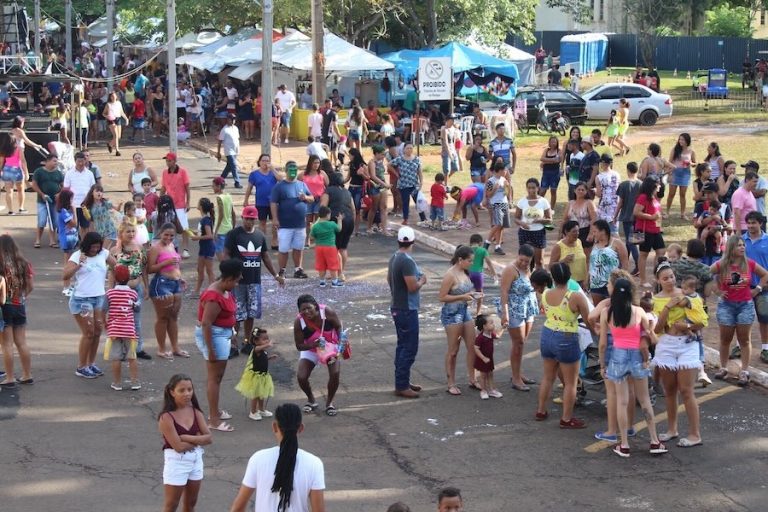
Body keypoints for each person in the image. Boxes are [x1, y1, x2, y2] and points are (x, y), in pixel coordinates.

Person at [599, 277, 667, 457]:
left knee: (621, 401)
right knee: (644, 399)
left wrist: (602, 364)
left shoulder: (607, 313)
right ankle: (654, 441)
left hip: (618, 356)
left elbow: (603, 344)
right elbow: (651, 337)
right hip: (637, 356)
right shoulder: (639, 311)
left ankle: (624, 444)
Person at [229, 403, 325, 512]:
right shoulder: (314, 464)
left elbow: (238, 508)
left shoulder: (258, 459)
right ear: (301, 428)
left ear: (274, 427)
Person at [652, 261, 707, 447]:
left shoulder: (687, 294)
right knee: (669, 390)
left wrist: (687, 326)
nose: (670, 280)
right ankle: (672, 429)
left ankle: (695, 434)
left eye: (672, 276)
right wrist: (668, 307)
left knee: (686, 390)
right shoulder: (656, 299)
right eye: (665, 278)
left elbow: (702, 321)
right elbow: (656, 329)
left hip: (687, 344)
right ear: (658, 280)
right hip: (666, 345)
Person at [534, 263, 592, 428]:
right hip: (566, 336)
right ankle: (566, 419)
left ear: (553, 278)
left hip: (547, 334)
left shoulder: (546, 293)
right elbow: (588, 321)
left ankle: (541, 410)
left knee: (548, 377)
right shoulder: (575, 296)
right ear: (569, 276)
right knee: (570, 382)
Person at [225, 206, 284, 353]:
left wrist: (276, 275)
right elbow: (226, 255)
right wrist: (230, 274)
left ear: (256, 219)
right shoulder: (234, 234)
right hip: (237, 283)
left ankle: (247, 341)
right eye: (247, 219)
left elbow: (265, 256)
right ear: (242, 218)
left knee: (251, 314)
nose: (249, 222)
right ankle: (233, 344)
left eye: (252, 219)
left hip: (254, 282)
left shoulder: (259, 236)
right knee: (236, 314)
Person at [712, 235, 768, 386]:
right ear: (731, 248)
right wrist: (716, 290)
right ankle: (723, 368)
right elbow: (706, 273)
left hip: (745, 305)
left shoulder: (749, 263)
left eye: (743, 245)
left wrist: (757, 289)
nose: (742, 247)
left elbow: (765, 274)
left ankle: (744, 371)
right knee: (725, 338)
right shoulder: (722, 264)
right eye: (739, 245)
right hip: (726, 306)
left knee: (744, 339)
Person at [194, 258, 242, 432]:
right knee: (214, 378)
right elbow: (206, 323)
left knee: (218, 377)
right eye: (236, 281)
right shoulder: (214, 296)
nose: (237, 284)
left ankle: (215, 411)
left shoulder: (223, 289)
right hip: (214, 336)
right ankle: (213, 419)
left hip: (222, 334)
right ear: (228, 279)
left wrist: (232, 333)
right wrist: (211, 350)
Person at [62, 232, 117, 379]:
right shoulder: (77, 256)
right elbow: (65, 275)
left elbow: (117, 267)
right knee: (88, 332)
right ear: (87, 245)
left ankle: (91, 363)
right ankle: (81, 367)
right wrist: (78, 265)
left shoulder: (104, 253)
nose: (95, 249)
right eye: (93, 247)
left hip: (98, 298)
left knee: (98, 331)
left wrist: (115, 285)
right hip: (81, 300)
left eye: (97, 246)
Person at [158, 374, 212, 512]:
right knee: (171, 505)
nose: (187, 393)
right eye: (181, 390)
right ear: (172, 392)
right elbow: (178, 447)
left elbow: (209, 438)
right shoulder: (166, 417)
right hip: (177, 462)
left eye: (189, 389)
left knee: (191, 503)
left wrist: (186, 437)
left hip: (196, 460)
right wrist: (198, 439)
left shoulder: (195, 411)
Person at [388, 226, 426, 398]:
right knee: (409, 347)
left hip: (398, 306)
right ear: (413, 242)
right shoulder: (407, 261)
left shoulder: (394, 257)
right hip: (406, 309)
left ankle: (402, 380)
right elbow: (412, 287)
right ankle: (402, 385)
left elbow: (389, 279)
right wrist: (422, 281)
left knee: (402, 345)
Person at [293, 294, 343, 416]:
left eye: (309, 308)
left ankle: (329, 403)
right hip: (311, 349)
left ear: (315, 306)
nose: (306, 312)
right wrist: (313, 345)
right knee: (301, 377)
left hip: (330, 348)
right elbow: (299, 346)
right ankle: (311, 400)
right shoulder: (299, 322)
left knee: (335, 373)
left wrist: (340, 343)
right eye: (303, 310)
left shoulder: (327, 312)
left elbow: (338, 326)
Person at [439, 246, 479, 395]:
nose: (471, 263)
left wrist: (474, 294)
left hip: (464, 311)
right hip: (452, 313)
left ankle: (472, 378)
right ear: (460, 259)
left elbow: (466, 291)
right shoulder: (450, 275)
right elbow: (442, 297)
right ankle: (451, 383)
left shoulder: (464, 271)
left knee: (472, 346)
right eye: (470, 261)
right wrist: (462, 297)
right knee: (453, 350)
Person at [499, 244, 538, 391]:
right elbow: (504, 291)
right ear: (518, 255)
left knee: (522, 343)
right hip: (514, 310)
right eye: (521, 260)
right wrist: (505, 313)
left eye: (527, 261)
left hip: (528, 307)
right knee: (518, 342)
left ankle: (518, 373)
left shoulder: (529, 268)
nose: (523, 263)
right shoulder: (510, 269)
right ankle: (515, 378)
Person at [148, 223, 186, 360]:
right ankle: (161, 349)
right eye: (166, 235)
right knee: (162, 317)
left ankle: (175, 348)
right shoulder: (155, 248)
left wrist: (180, 278)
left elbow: (175, 265)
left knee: (174, 317)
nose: (169, 238)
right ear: (160, 233)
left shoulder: (171, 245)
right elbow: (150, 269)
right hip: (162, 284)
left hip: (176, 283)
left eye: (171, 235)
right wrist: (166, 262)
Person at [0, 235, 34, 387]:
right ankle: (27, 374)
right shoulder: (24, 264)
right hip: (19, 304)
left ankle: (10, 377)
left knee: (6, 344)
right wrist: (22, 296)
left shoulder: (1, 265)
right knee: (21, 342)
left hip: (4, 307)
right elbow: (31, 286)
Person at [271, 161, 313, 279]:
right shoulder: (279, 186)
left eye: (295, 169)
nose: (293, 172)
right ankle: (282, 270)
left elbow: (312, 198)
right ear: (286, 171)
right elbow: (273, 203)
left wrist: (305, 197)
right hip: (285, 224)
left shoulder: (302, 184)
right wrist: (275, 219)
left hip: (300, 224)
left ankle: (298, 269)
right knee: (283, 248)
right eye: (291, 170)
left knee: (299, 248)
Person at [104, 265, 140, 391]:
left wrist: (105, 323)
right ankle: (135, 382)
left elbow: (104, 309)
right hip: (129, 330)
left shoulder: (110, 293)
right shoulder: (133, 293)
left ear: (114, 278)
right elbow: (137, 308)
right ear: (129, 278)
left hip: (114, 329)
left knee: (116, 357)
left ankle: (117, 383)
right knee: (132, 357)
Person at [319, 171, 355, 281]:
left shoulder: (328, 190)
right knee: (343, 248)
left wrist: (320, 223)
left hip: (335, 219)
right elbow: (353, 209)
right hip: (349, 219)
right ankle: (341, 272)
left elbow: (323, 207)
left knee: (334, 248)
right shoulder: (347, 192)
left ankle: (336, 273)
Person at [235, 327, 276, 421]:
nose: (267, 341)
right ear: (256, 341)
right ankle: (253, 412)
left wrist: (269, 358)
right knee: (255, 395)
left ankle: (261, 409)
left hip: (263, 376)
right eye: (264, 339)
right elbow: (258, 349)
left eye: (267, 338)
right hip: (256, 377)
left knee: (262, 394)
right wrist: (268, 344)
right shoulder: (256, 349)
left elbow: (262, 359)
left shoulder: (263, 351)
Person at [514, 177, 552, 269]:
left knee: (539, 261)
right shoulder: (522, 202)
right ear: (526, 188)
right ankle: (525, 276)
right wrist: (522, 223)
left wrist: (540, 220)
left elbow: (549, 219)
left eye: (533, 188)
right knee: (524, 260)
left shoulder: (543, 202)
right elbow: (516, 218)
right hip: (524, 233)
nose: (531, 190)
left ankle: (540, 277)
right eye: (529, 188)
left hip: (539, 233)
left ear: (538, 188)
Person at [589, 219, 629, 304]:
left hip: (612, 282)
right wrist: (588, 278)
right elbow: (592, 263)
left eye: (595, 232)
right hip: (595, 283)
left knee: (613, 307)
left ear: (603, 231)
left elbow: (625, 263)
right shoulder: (595, 244)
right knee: (598, 308)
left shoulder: (617, 243)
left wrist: (621, 280)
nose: (593, 234)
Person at [634, 177, 665, 286]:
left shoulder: (654, 198)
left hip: (655, 230)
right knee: (643, 254)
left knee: (661, 251)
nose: (659, 186)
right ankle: (643, 280)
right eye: (658, 184)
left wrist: (659, 222)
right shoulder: (643, 197)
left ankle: (656, 277)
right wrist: (651, 217)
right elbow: (636, 212)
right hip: (644, 230)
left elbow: (656, 214)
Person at [162, 152, 192, 257]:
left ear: (174, 161)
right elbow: (163, 188)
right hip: (169, 205)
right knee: (170, 227)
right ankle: (172, 248)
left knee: (184, 228)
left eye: (169, 161)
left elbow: (187, 188)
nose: (167, 163)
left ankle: (185, 249)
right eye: (166, 161)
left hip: (180, 205)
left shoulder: (183, 172)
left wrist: (188, 202)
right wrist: (160, 201)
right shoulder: (165, 172)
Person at [30, 154, 63, 249]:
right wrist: (42, 194)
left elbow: (63, 185)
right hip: (42, 201)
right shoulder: (39, 172)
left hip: (55, 202)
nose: (56, 163)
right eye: (54, 161)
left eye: (56, 161)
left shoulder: (58, 173)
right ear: (48, 161)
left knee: (54, 221)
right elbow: (34, 185)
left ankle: (52, 240)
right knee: (42, 220)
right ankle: (38, 240)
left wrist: (59, 194)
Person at [614, 161, 641, 273]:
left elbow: (620, 202)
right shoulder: (641, 184)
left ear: (628, 170)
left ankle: (638, 265)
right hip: (639, 218)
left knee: (631, 242)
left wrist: (615, 216)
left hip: (627, 217)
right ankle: (624, 263)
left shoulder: (624, 185)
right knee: (634, 241)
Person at [63, 152, 96, 236]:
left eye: (82, 161)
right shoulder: (69, 173)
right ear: (75, 161)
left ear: (85, 161)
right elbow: (66, 189)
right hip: (73, 205)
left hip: (86, 205)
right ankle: (75, 241)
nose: (81, 163)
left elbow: (93, 188)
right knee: (74, 226)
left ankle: (84, 242)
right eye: (79, 161)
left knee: (85, 227)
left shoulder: (89, 174)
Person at [309, 206, 343, 287]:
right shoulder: (331, 224)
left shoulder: (315, 226)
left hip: (319, 247)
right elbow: (339, 229)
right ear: (328, 214)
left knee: (321, 265)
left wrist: (312, 229)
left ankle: (322, 281)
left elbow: (311, 237)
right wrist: (340, 220)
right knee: (333, 264)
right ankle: (334, 282)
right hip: (330, 247)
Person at [549, 220, 587, 288]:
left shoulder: (579, 242)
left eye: (578, 231)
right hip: (567, 283)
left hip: (581, 281)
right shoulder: (559, 246)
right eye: (574, 231)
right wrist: (563, 261)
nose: (577, 233)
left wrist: (585, 279)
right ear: (566, 232)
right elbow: (550, 266)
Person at [667, 133, 696, 219]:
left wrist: (691, 163)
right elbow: (669, 162)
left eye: (682, 139)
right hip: (675, 173)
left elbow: (695, 163)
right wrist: (669, 173)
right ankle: (667, 212)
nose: (680, 141)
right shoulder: (675, 150)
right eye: (680, 139)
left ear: (687, 141)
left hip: (685, 174)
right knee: (671, 193)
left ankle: (683, 214)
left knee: (682, 194)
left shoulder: (691, 151)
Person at [190, 198, 215, 297]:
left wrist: (197, 237)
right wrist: (194, 232)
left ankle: (213, 292)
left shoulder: (206, 220)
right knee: (200, 269)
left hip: (208, 247)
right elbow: (203, 232)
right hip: (204, 247)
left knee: (209, 270)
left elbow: (210, 235)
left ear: (201, 206)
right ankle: (197, 291)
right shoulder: (205, 219)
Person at [487, 162, 513, 256]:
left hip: (504, 203)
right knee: (498, 224)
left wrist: (507, 187)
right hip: (496, 204)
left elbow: (506, 193)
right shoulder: (491, 181)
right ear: (500, 170)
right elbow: (488, 195)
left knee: (502, 226)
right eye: (505, 170)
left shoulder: (504, 179)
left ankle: (498, 246)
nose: (506, 172)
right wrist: (495, 188)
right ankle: (487, 242)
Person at [473, 314, 501, 400]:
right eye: (491, 323)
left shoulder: (491, 334)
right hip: (483, 360)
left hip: (489, 359)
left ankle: (491, 389)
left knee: (490, 374)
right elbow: (476, 348)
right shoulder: (480, 338)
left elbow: (498, 336)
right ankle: (483, 390)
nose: (493, 324)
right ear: (484, 326)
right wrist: (483, 358)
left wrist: (503, 328)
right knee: (483, 375)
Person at [595, 154, 620, 233]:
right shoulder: (617, 174)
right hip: (615, 205)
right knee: (614, 232)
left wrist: (594, 191)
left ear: (603, 163)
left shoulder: (599, 177)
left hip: (604, 206)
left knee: (603, 231)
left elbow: (599, 194)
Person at [212, 177, 236, 259]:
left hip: (221, 230)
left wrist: (215, 231)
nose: (213, 188)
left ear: (218, 186)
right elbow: (233, 213)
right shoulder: (229, 196)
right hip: (229, 228)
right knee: (227, 251)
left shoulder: (219, 198)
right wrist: (233, 226)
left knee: (220, 253)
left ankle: (224, 266)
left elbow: (221, 215)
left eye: (213, 186)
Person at [217, 114, 242, 188]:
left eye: (234, 119)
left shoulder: (236, 128)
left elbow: (237, 139)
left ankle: (220, 180)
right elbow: (220, 141)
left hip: (235, 150)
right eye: (232, 119)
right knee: (234, 165)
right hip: (229, 151)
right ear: (228, 119)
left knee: (229, 167)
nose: (233, 120)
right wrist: (218, 152)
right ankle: (237, 182)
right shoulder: (224, 130)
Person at [103, 92, 129, 156]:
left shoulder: (119, 103)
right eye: (112, 96)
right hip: (111, 120)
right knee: (116, 135)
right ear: (110, 97)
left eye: (114, 96)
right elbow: (103, 113)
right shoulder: (108, 104)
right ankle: (117, 150)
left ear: (116, 97)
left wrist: (126, 118)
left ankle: (110, 144)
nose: (113, 97)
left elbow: (121, 112)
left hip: (118, 118)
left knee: (119, 136)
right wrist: (107, 116)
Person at [539, 136, 562, 208]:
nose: (553, 143)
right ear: (549, 142)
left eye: (554, 142)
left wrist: (545, 162)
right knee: (542, 190)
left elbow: (558, 160)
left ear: (557, 143)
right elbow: (541, 158)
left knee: (553, 191)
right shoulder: (546, 150)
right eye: (551, 141)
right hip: (546, 173)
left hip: (555, 173)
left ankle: (552, 208)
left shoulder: (559, 151)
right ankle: (539, 206)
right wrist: (552, 160)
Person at [441, 115, 461, 185]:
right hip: (446, 151)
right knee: (447, 169)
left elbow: (455, 140)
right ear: (448, 120)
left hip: (453, 150)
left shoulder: (453, 129)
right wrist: (449, 153)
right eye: (452, 120)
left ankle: (443, 180)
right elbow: (445, 143)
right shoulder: (444, 130)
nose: (453, 121)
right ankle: (446, 185)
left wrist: (454, 151)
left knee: (456, 168)